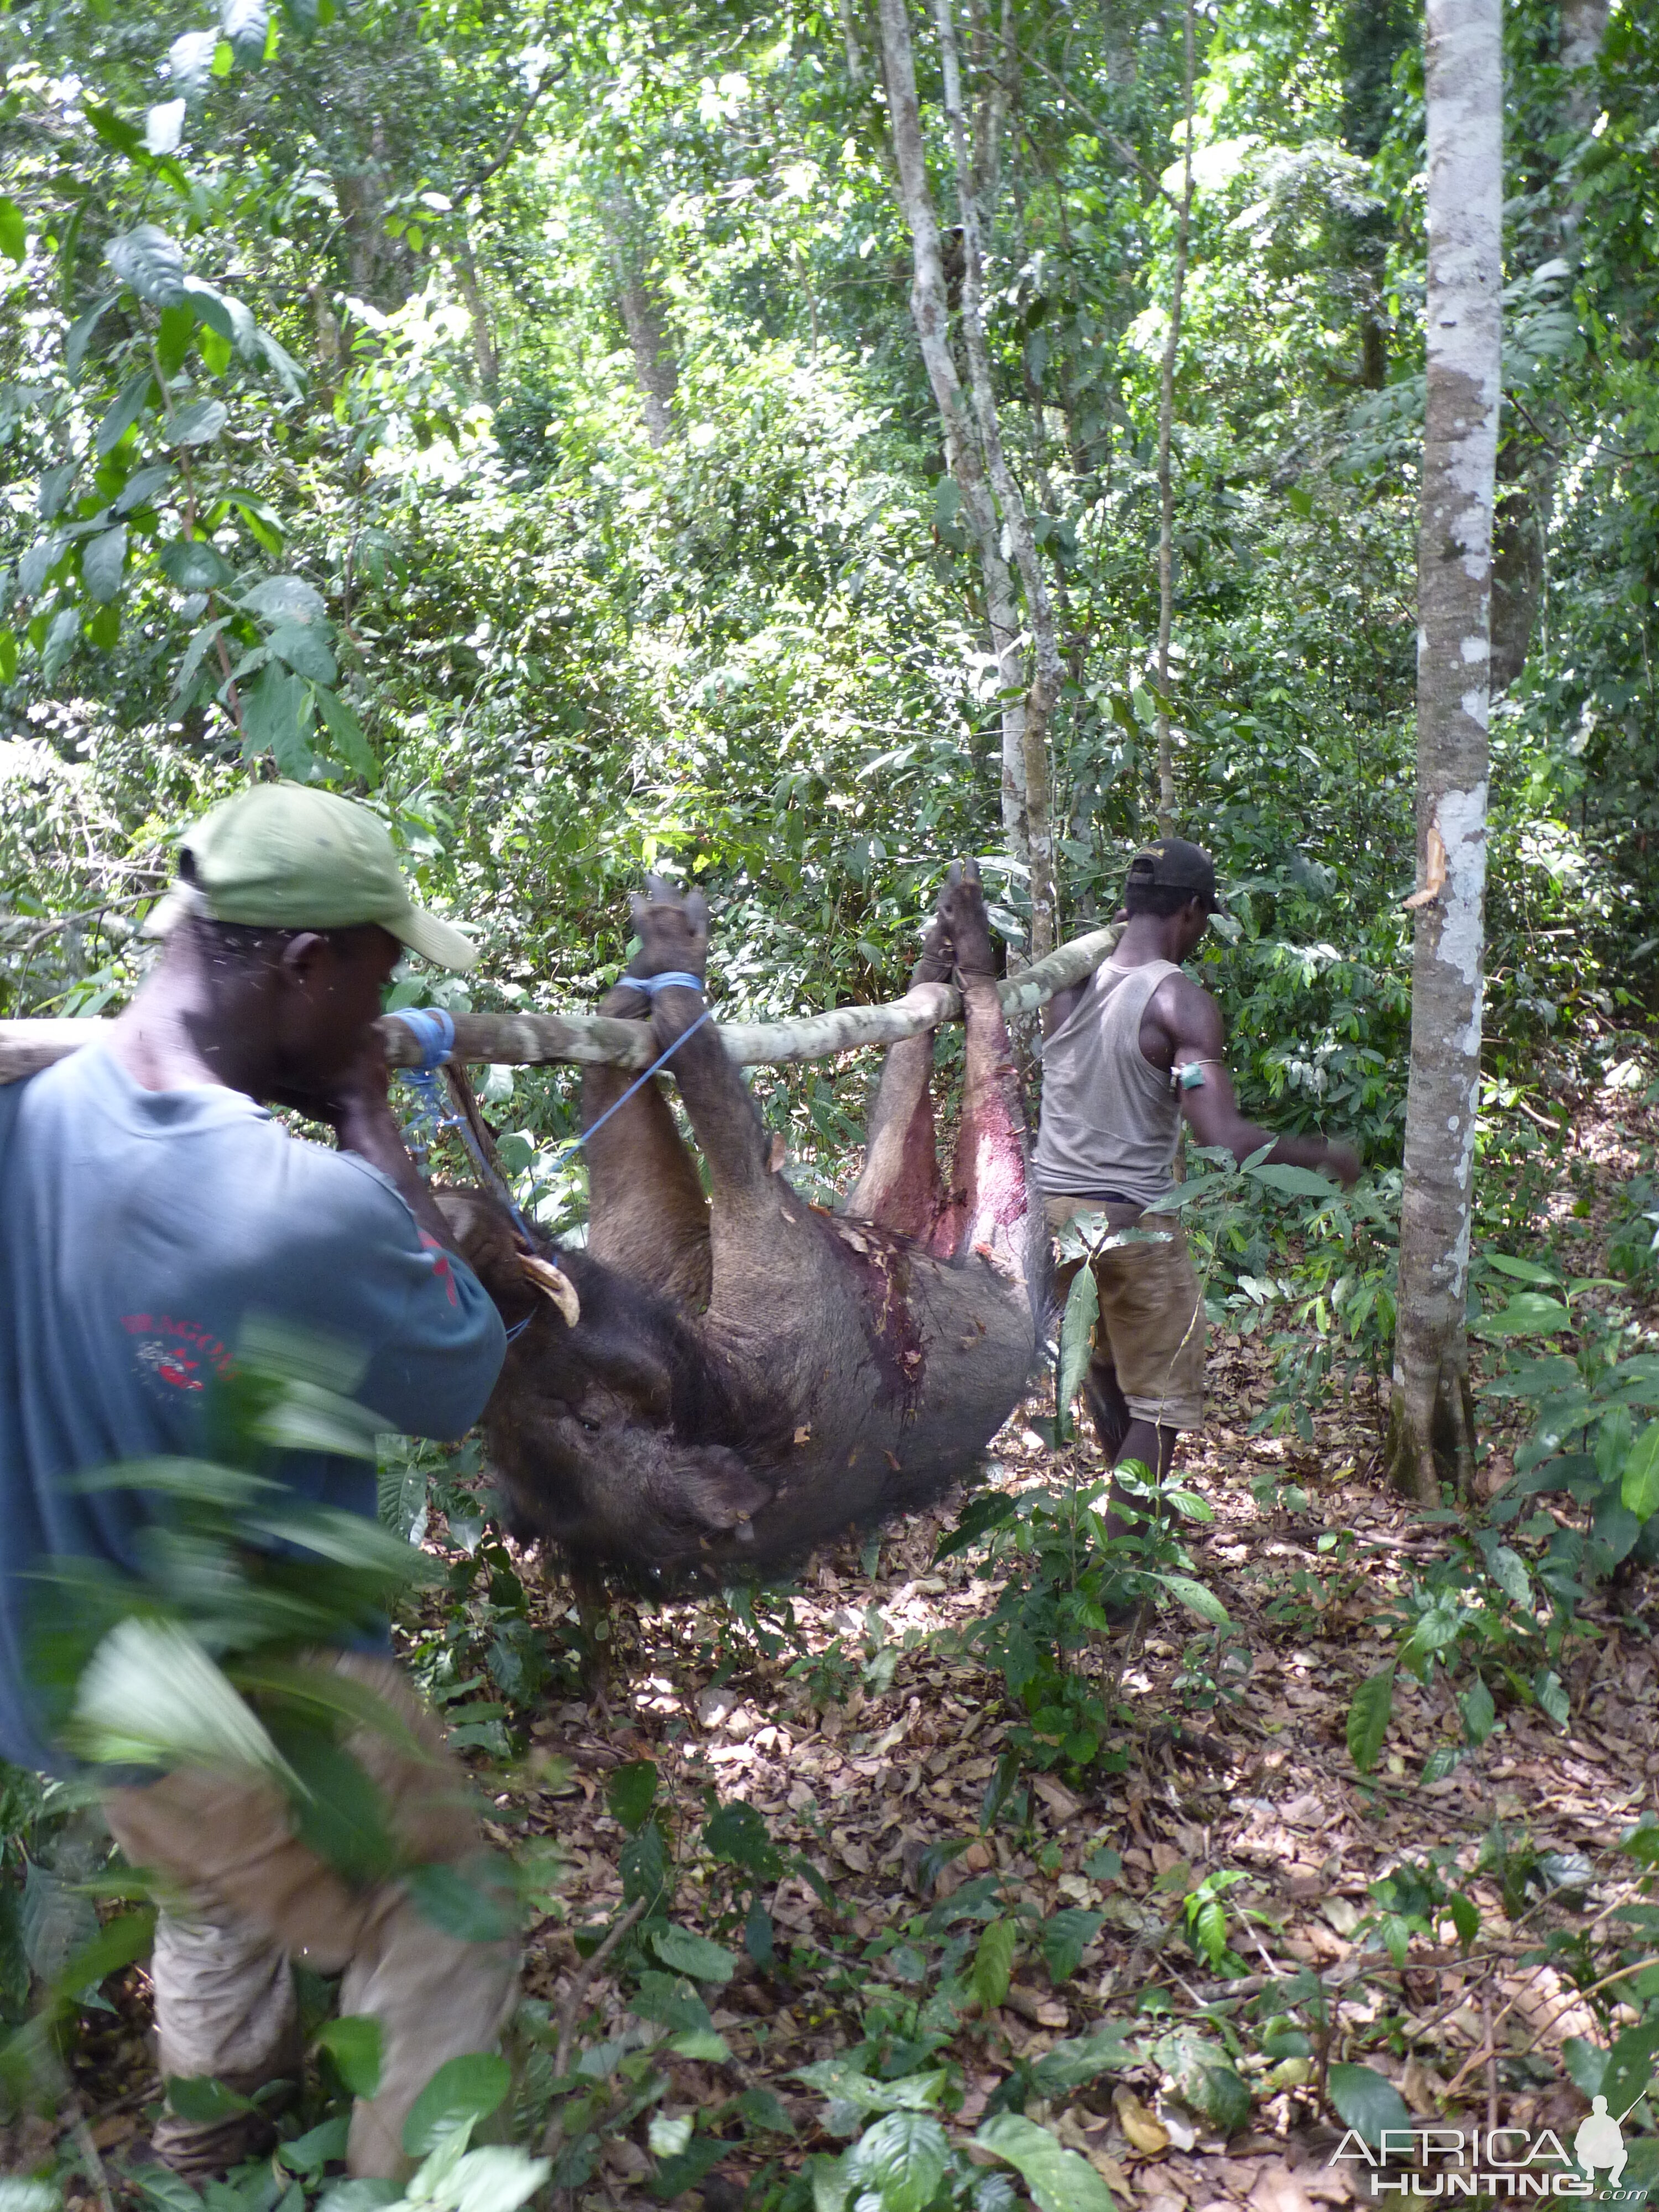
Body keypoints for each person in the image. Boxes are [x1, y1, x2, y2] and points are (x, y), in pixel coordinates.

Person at [0, 782, 512, 2179]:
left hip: (81, 1694)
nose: (378, 1016)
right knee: (444, 1914)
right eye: (378, 981)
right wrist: (365, 1118)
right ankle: (412, 2188)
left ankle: (212, 2134)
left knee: (210, 1883)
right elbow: (459, 1369)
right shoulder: (304, 1207)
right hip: (260, 1694)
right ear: (308, 967)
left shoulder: (25, 1124)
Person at [1035, 836, 1360, 1510]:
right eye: (1203, 919)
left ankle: (1132, 1530)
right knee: (1159, 1405)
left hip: (1050, 1216)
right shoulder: (1178, 1002)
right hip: (1130, 1226)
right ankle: (1122, 1577)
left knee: (1103, 1367)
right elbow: (1226, 1138)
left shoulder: (1066, 985)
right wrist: (1328, 1156)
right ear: (1188, 910)